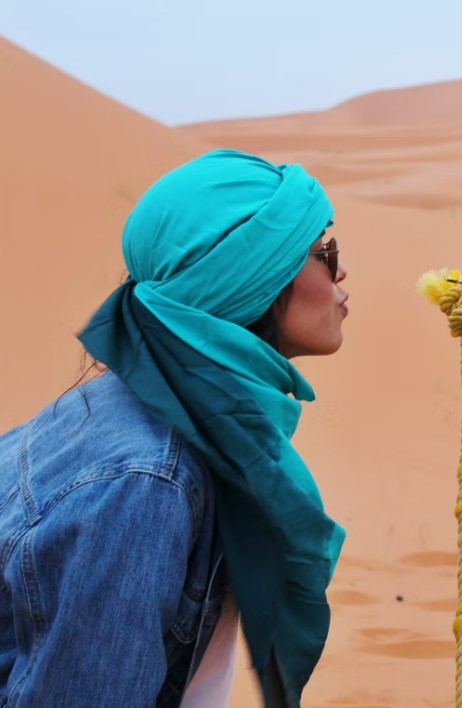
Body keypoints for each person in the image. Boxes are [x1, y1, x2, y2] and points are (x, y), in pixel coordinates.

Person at [0, 150, 348, 707]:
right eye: (323, 253)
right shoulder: (145, 485)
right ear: (249, 278)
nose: (341, 272)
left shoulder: (151, 408)